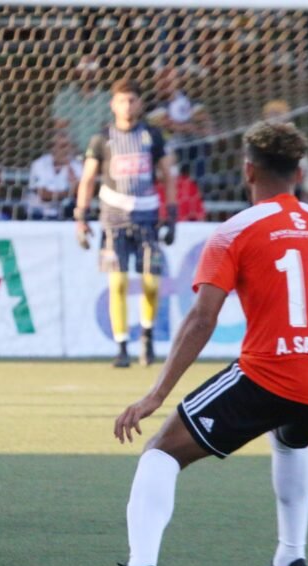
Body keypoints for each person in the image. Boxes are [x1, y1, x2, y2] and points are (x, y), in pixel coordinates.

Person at [93, 121, 308, 566]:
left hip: (271, 374)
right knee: (291, 439)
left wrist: (155, 395)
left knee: (162, 451)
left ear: (248, 171)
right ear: (299, 173)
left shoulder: (236, 229)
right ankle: (290, 560)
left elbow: (202, 319)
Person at [75, 78, 177, 369]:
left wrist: (171, 214)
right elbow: (88, 178)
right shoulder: (101, 139)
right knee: (117, 282)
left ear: (140, 104)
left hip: (148, 216)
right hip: (113, 218)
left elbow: (168, 174)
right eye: (122, 100)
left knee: (151, 282)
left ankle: (146, 337)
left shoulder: (153, 136)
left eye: (132, 100)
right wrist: (81, 216)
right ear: (113, 104)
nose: (127, 106)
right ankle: (121, 346)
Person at [146, 67, 213, 181]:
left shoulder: (187, 97)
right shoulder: (153, 101)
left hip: (192, 142)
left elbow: (204, 117)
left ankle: (196, 185)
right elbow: (166, 124)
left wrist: (202, 127)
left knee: (202, 147)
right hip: (168, 145)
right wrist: (191, 126)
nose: (168, 82)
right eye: (164, 79)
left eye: (172, 79)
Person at [52, 55, 112, 155]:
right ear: (76, 69)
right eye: (83, 65)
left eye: (92, 66)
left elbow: (109, 128)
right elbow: (60, 127)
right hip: (70, 153)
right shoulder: (65, 96)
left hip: (98, 153)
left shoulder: (105, 97)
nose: (87, 71)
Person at [263, 100, 308, 202]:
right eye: (271, 114)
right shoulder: (259, 141)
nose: (275, 119)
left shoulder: (294, 140)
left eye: (278, 114)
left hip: (292, 191)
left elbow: (306, 171)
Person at [25, 129, 82, 220]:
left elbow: (80, 192)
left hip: (66, 214)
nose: (66, 150)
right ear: (52, 147)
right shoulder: (39, 164)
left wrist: (69, 169)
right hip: (37, 214)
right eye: (63, 146)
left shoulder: (76, 166)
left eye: (69, 146)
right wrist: (69, 192)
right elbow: (43, 194)